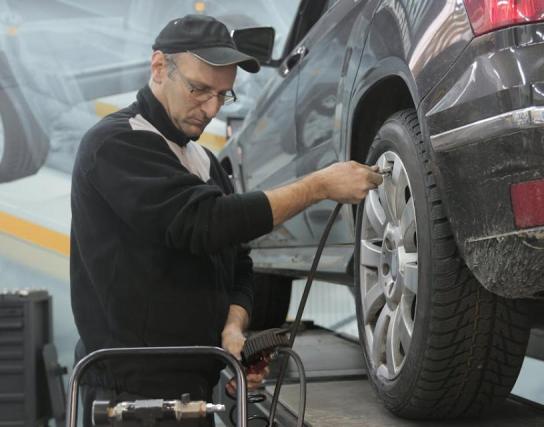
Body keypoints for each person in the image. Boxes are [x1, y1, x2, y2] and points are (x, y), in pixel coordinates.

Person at [69, 15, 382, 426]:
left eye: (223, 95)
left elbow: (239, 262)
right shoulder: (116, 143)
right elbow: (204, 223)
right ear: (160, 68)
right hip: (127, 399)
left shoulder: (204, 162)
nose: (212, 108)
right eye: (199, 89)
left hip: (195, 393)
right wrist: (319, 186)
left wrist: (233, 329)